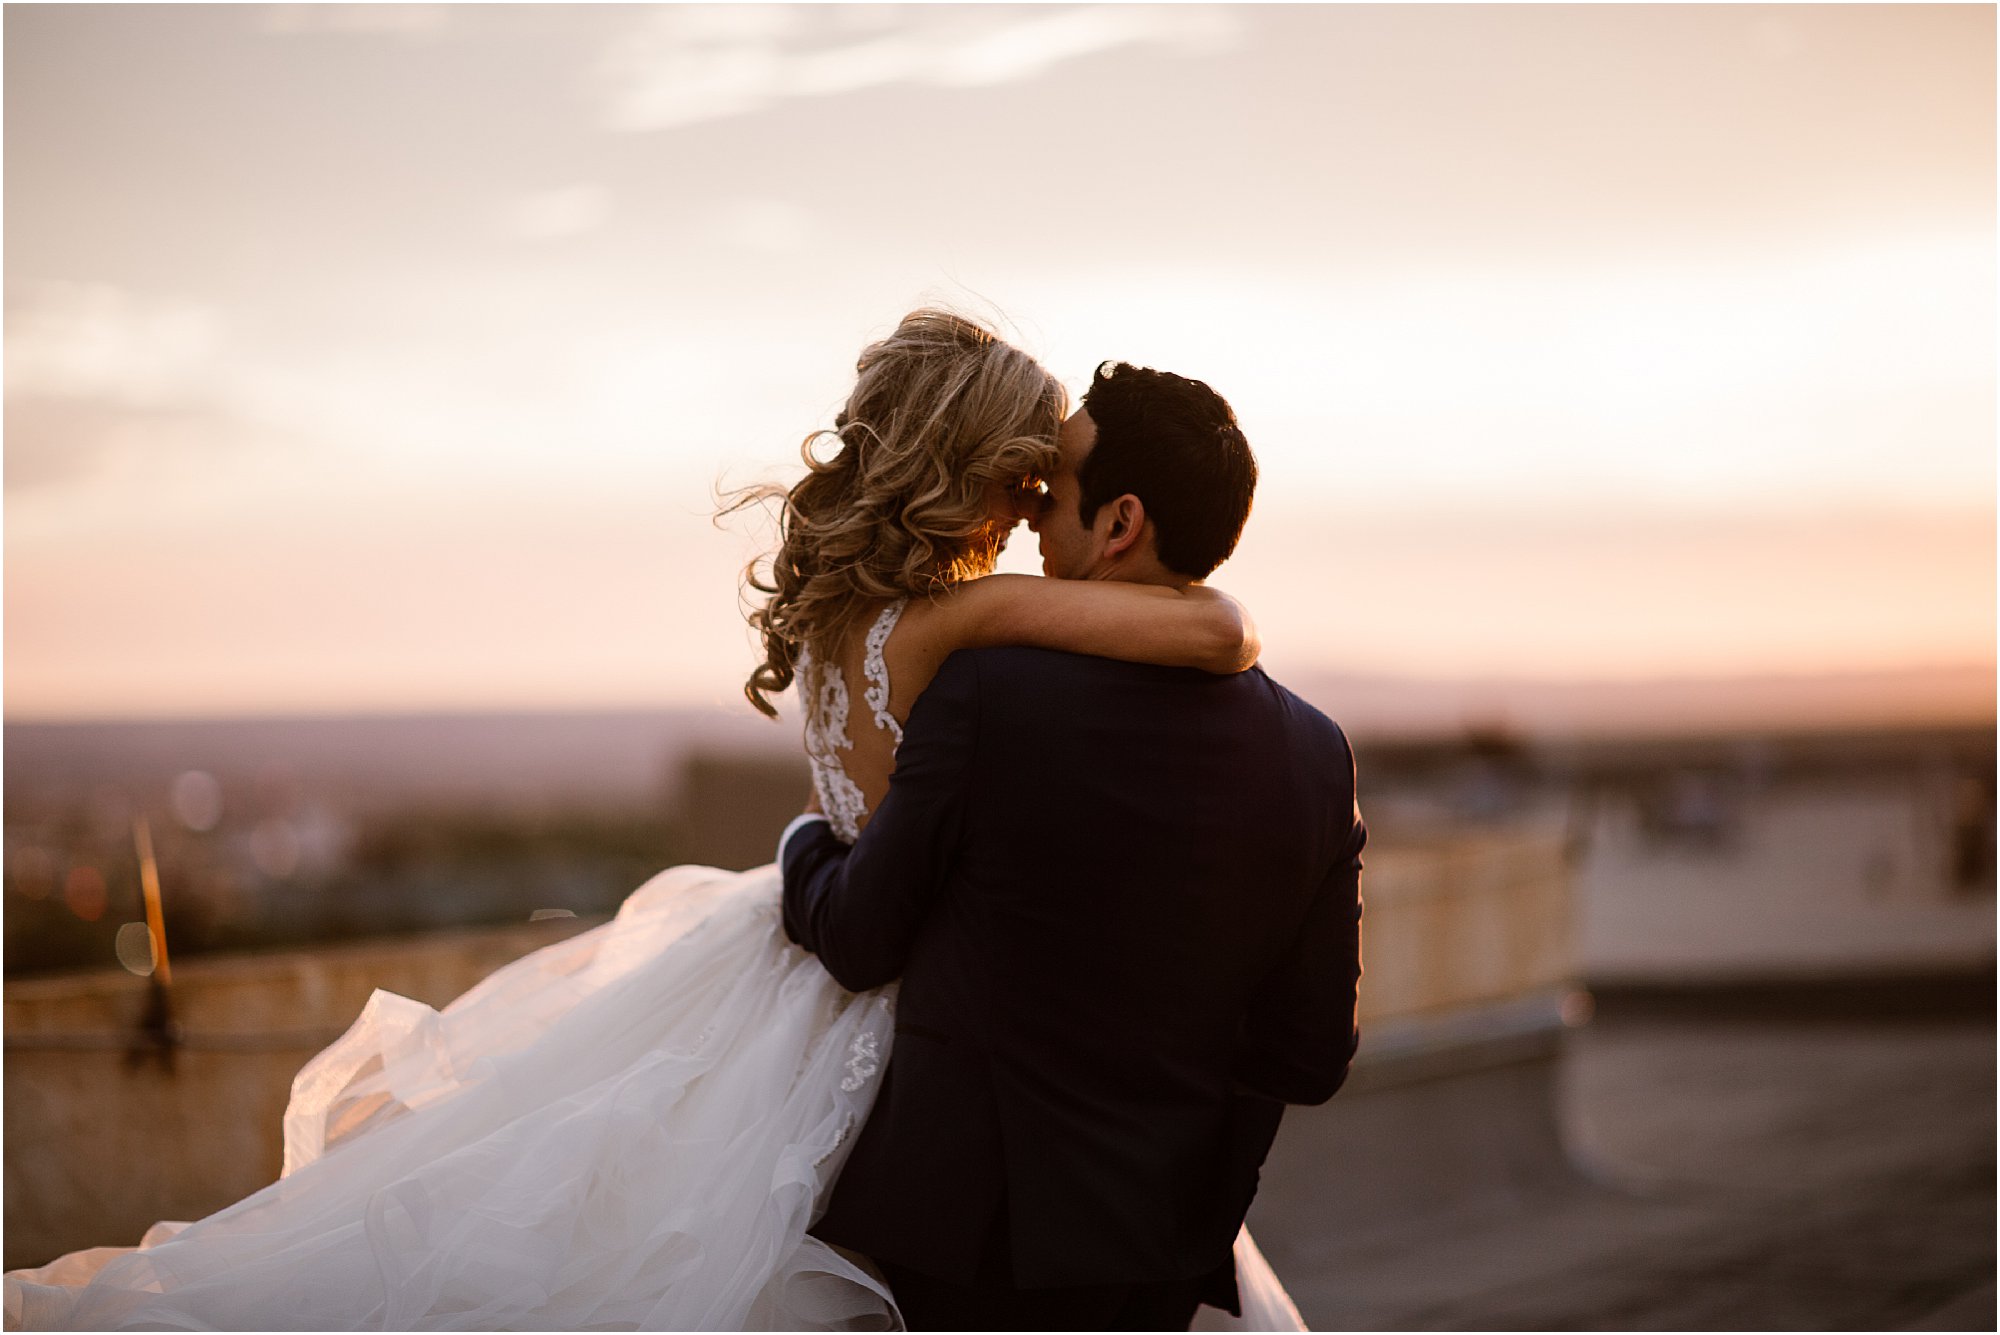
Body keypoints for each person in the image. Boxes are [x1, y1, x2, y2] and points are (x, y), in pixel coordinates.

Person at [2, 311, 1306, 1331]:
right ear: (969, 473)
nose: (1035, 514)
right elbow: (1210, 626)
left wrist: (807, 846)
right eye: (1025, 481)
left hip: (780, 958)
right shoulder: (958, 626)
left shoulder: (847, 619)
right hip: (884, 1020)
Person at [782, 360, 1366, 1330]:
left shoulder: (983, 697)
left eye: (1052, 496)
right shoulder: (1314, 753)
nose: (1028, 523)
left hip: (969, 1252)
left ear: (1119, 524)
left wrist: (804, 842)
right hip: (1164, 1245)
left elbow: (858, 938)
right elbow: (1308, 1057)